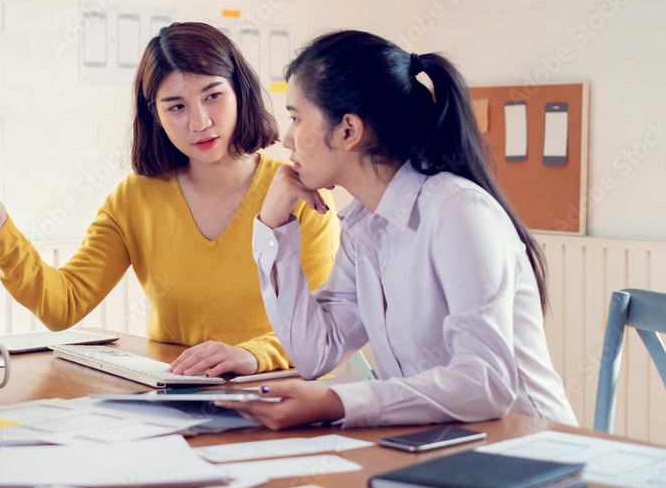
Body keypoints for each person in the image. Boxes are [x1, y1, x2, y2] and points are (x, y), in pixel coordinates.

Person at [0, 22, 338, 376]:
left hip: (280, 394)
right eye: (176, 106)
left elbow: (323, 326)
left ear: (239, 91)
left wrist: (251, 355)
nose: (199, 122)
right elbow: (63, 306)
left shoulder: (298, 193)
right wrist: (2, 236)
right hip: (178, 393)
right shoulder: (135, 198)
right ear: (155, 115)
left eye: (212, 95)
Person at [219, 30, 577, 426]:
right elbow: (314, 353)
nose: (286, 139)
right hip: (443, 450)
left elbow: (485, 384)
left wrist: (340, 402)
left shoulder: (456, 210)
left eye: (296, 118)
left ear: (349, 131)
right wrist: (274, 225)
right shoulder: (366, 223)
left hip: (532, 453)